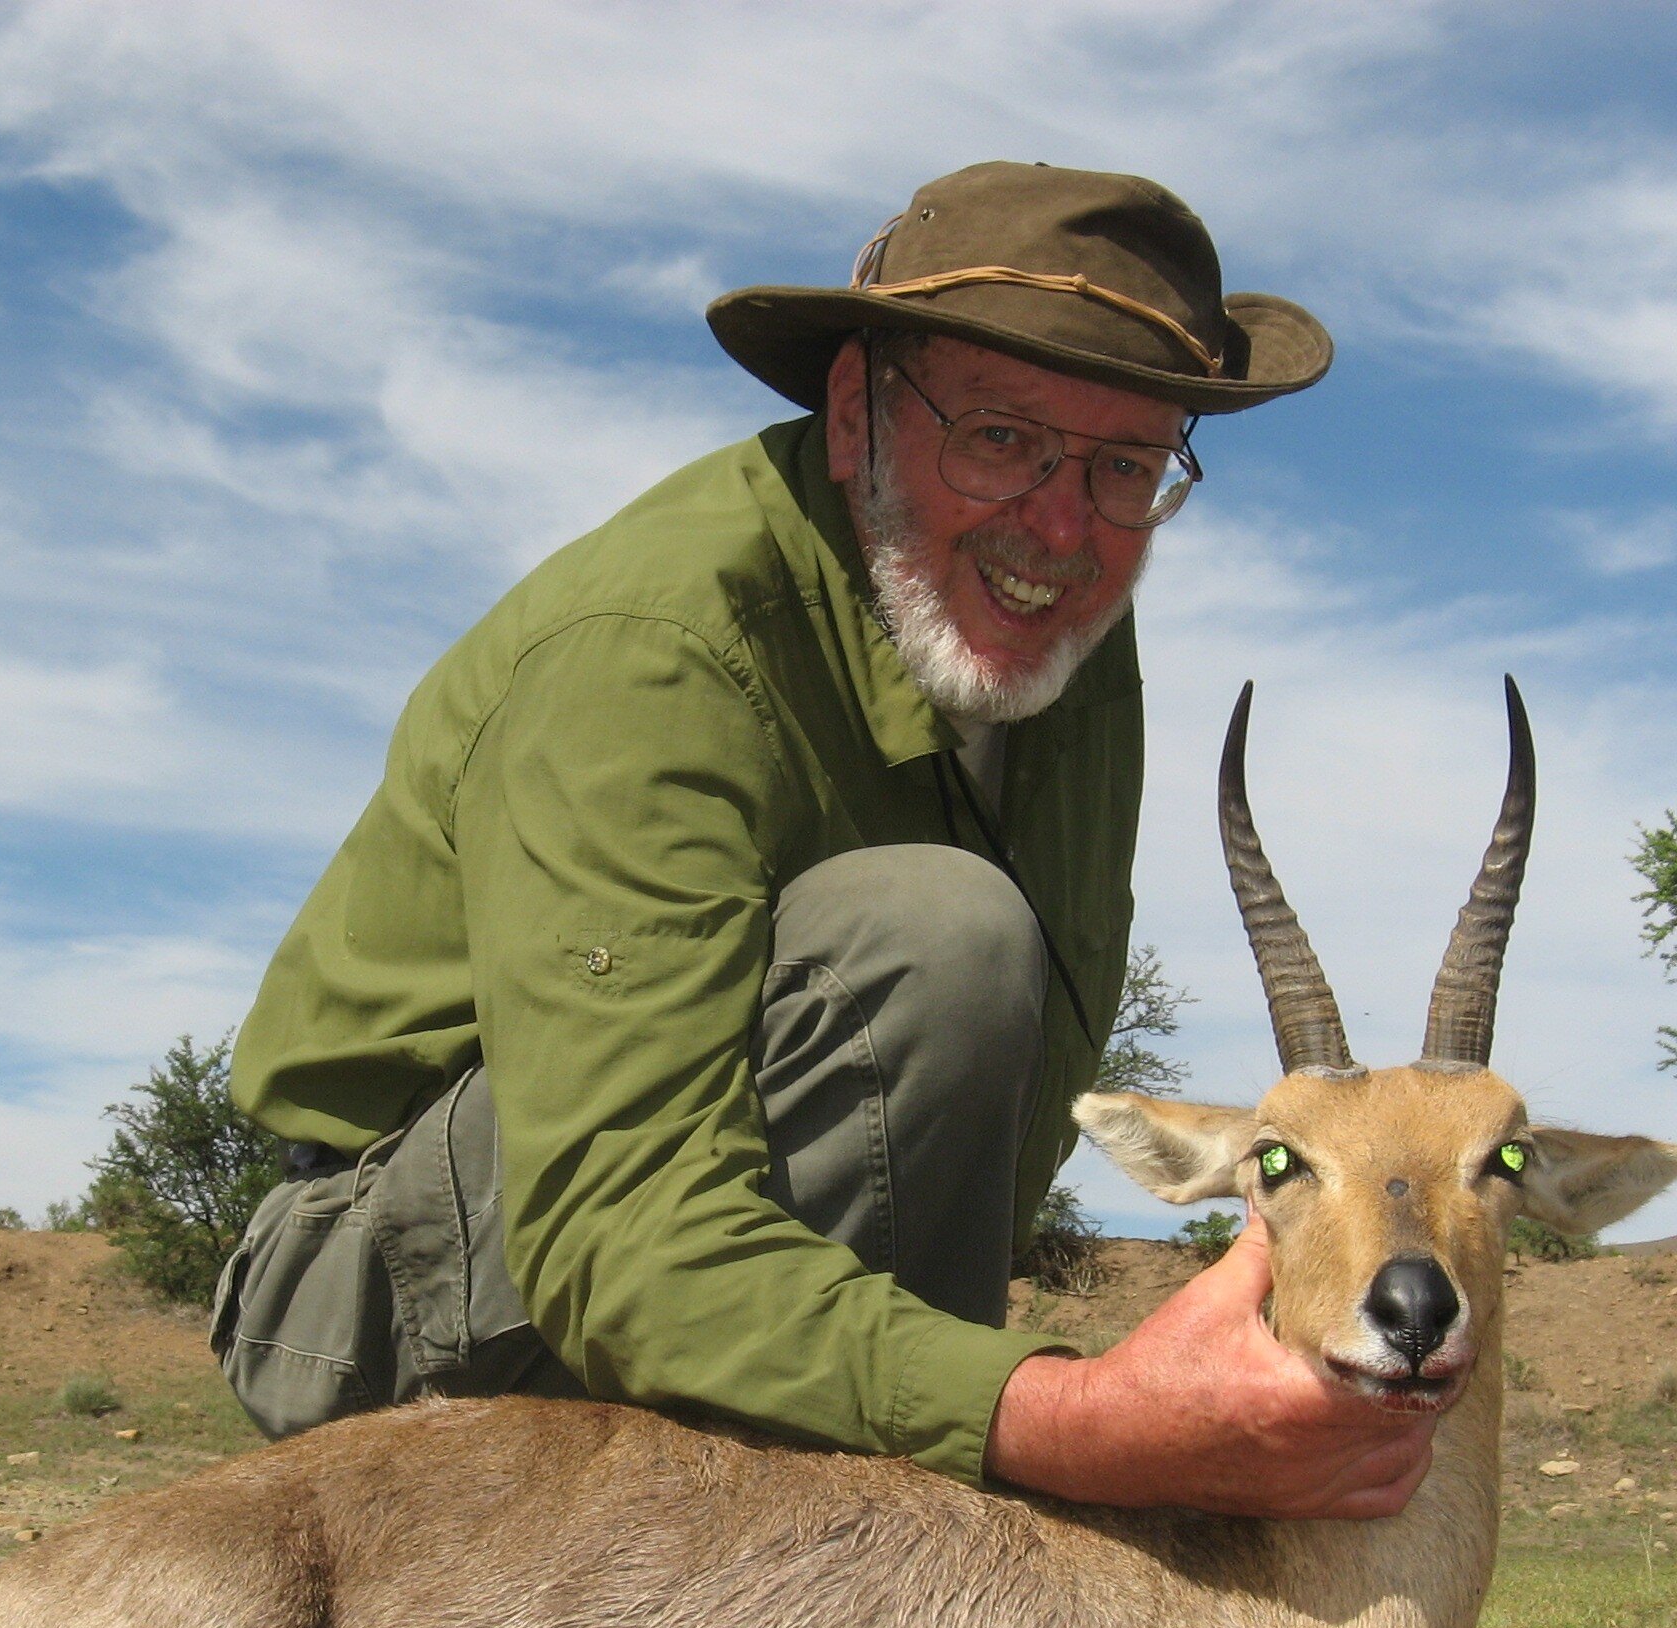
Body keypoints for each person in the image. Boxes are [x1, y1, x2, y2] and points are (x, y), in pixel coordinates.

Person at [215, 161, 1440, 1520]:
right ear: (857, 411)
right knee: (937, 937)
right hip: (384, 1297)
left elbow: (996, 1109)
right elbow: (616, 1229)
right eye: (998, 435)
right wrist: (1068, 1418)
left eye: (1126, 466)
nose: (1060, 525)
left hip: (667, 1266)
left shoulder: (1063, 624)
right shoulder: (650, 654)